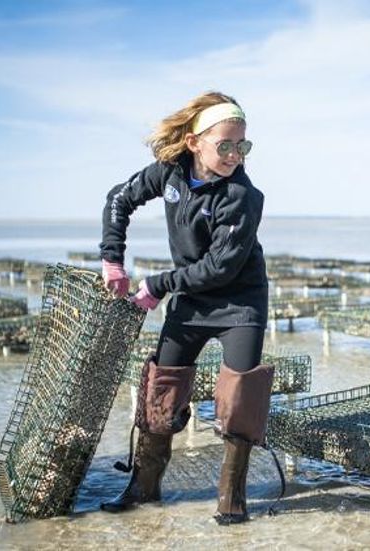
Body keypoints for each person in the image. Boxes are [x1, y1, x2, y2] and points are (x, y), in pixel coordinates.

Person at [97, 91, 272, 525]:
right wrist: (112, 258)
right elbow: (119, 199)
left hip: (240, 302)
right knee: (162, 391)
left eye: (242, 146)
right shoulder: (170, 173)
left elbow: (220, 268)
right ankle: (143, 489)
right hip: (191, 301)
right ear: (194, 142)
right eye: (225, 145)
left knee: (239, 400)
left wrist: (157, 285)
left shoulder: (243, 196)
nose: (234, 155)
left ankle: (232, 501)